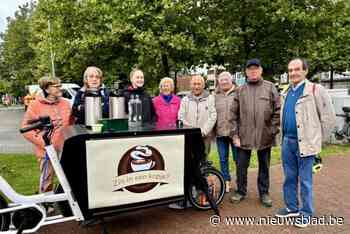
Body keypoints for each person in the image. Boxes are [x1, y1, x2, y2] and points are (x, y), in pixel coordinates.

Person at [276, 58, 336, 228]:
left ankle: (306, 212)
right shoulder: (285, 92)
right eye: (290, 70)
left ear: (305, 71)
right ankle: (292, 207)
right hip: (287, 142)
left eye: (296, 69)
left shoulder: (316, 90)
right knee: (289, 177)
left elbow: (328, 119)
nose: (293, 73)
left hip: (307, 144)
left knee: (305, 180)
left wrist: (318, 141)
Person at [231, 58, 281, 207]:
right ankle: (240, 191)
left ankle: (264, 193)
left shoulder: (270, 87)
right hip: (243, 136)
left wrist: (271, 130)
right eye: (250, 69)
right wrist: (234, 135)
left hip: (264, 135)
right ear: (246, 72)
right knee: (241, 166)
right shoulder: (239, 90)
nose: (253, 71)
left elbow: (278, 111)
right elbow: (232, 115)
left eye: (256, 68)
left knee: (264, 166)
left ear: (261, 70)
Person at [169, 74, 217, 210]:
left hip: (204, 137)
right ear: (191, 85)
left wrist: (202, 131)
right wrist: (192, 131)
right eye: (194, 84)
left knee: (202, 165)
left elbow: (213, 116)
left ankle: (202, 195)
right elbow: (181, 116)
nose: (196, 86)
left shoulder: (210, 98)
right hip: (190, 137)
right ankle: (190, 194)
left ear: (203, 85)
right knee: (189, 165)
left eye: (199, 84)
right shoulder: (185, 100)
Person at [21, 76, 73, 197]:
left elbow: (72, 123)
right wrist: (44, 143)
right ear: (47, 89)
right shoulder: (35, 105)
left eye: (60, 85)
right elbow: (25, 129)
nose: (60, 88)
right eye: (57, 86)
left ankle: (69, 202)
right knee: (47, 179)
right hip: (46, 151)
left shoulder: (66, 103)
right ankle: (47, 204)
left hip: (66, 147)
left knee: (68, 177)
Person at [215, 71, 238, 193]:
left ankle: (240, 182)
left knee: (238, 159)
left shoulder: (239, 93)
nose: (224, 81)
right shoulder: (215, 95)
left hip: (235, 134)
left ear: (231, 80)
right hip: (220, 133)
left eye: (226, 79)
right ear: (218, 81)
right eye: (221, 79)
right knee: (223, 159)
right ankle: (226, 182)